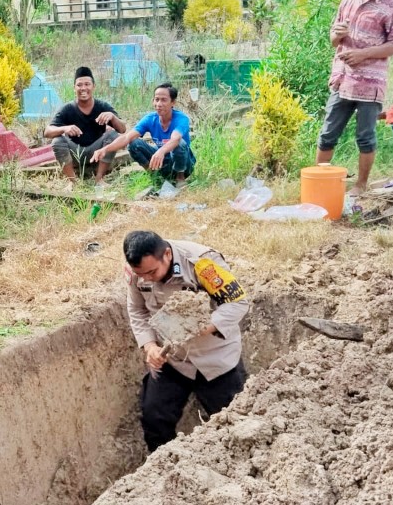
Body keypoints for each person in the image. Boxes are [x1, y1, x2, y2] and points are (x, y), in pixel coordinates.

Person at [123, 231, 249, 452]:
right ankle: (164, 468)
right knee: (155, 418)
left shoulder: (202, 263)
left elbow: (237, 303)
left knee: (234, 423)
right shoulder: (138, 272)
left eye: (152, 271)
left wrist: (204, 327)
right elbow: (137, 309)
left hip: (216, 360)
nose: (147, 278)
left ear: (168, 255)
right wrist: (149, 345)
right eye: (141, 274)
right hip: (173, 359)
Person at [316, 0, 393, 195]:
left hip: (370, 83)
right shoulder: (348, 1)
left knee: (365, 137)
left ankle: (361, 185)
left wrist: (362, 54)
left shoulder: (391, 5)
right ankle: (321, 183)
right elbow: (334, 39)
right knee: (327, 134)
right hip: (343, 79)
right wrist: (336, 35)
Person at [91, 83, 195, 187]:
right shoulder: (150, 118)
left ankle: (180, 179)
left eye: (164, 100)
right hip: (161, 161)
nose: (159, 104)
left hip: (184, 164)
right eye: (156, 99)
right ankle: (155, 175)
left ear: (173, 102)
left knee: (179, 143)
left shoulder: (181, 119)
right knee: (134, 143)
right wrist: (104, 150)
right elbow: (127, 137)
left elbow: (176, 139)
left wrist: (161, 151)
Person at [44, 66, 127, 184]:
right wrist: (64, 128)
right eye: (79, 85)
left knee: (113, 135)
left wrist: (112, 117)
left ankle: (99, 178)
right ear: (74, 88)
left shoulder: (103, 106)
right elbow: (47, 131)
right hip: (76, 152)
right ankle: (73, 182)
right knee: (57, 141)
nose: (83, 88)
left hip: (97, 151)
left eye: (87, 84)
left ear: (94, 86)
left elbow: (122, 129)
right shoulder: (67, 109)